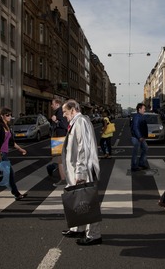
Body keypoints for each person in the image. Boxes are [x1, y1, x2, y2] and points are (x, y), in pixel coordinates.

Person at [61, 99, 102, 246]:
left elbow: (83, 148)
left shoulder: (81, 122)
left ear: (73, 110)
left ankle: (94, 235)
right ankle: (78, 228)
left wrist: (80, 172)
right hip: (76, 170)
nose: (64, 116)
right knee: (79, 200)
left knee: (87, 201)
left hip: (83, 170)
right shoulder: (75, 122)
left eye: (65, 112)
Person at [0, 107, 28, 200]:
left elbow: (11, 142)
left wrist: (20, 149)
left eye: (10, 115)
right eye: (7, 115)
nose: (9, 116)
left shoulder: (7, 125)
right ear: (2, 116)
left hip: (4, 152)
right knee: (10, 173)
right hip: (1, 153)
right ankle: (17, 194)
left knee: (1, 172)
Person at [49, 98, 68, 186]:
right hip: (59, 138)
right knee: (59, 160)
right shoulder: (60, 111)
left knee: (59, 160)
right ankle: (64, 178)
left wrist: (56, 121)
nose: (51, 105)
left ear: (57, 104)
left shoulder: (60, 112)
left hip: (60, 139)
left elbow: (64, 125)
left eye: (52, 104)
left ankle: (63, 179)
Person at [130, 103, 149, 172]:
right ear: (139, 109)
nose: (145, 110)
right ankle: (134, 166)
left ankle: (141, 163)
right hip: (137, 137)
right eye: (143, 109)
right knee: (136, 151)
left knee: (145, 148)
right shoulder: (137, 117)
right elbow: (135, 128)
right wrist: (139, 137)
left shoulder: (141, 116)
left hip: (141, 137)